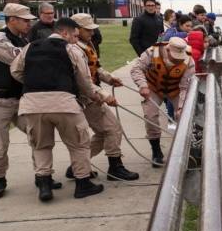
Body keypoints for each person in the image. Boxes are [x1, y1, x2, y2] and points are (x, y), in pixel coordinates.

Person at [11, 17, 105, 201]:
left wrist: (35, 83)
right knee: (79, 144)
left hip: (32, 104)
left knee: (41, 145)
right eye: (75, 36)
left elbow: (15, 71)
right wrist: (92, 95)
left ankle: (45, 186)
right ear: (65, 33)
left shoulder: (30, 47)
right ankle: (82, 183)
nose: (76, 40)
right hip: (64, 104)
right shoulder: (71, 50)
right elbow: (84, 82)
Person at [0, 3, 50, 198]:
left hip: (21, 100)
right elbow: (18, 60)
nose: (29, 24)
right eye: (25, 20)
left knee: (38, 136)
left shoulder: (22, 40)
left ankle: (42, 177)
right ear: (11, 20)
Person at [68, 13, 139, 182]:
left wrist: (109, 78)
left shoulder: (86, 45)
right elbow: (81, 79)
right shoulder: (73, 49)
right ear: (76, 30)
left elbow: (95, 68)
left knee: (102, 134)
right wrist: (104, 95)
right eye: (88, 30)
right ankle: (115, 168)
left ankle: (77, 166)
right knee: (113, 129)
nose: (92, 33)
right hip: (86, 98)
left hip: (91, 95)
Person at [130, 37, 195, 167]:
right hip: (153, 88)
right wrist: (143, 85)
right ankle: (156, 150)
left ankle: (186, 149)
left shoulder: (189, 61)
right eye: (175, 56)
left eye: (180, 56)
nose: (178, 59)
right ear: (167, 49)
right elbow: (136, 68)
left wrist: (181, 107)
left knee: (185, 116)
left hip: (175, 90)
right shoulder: (152, 52)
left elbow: (185, 87)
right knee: (150, 117)